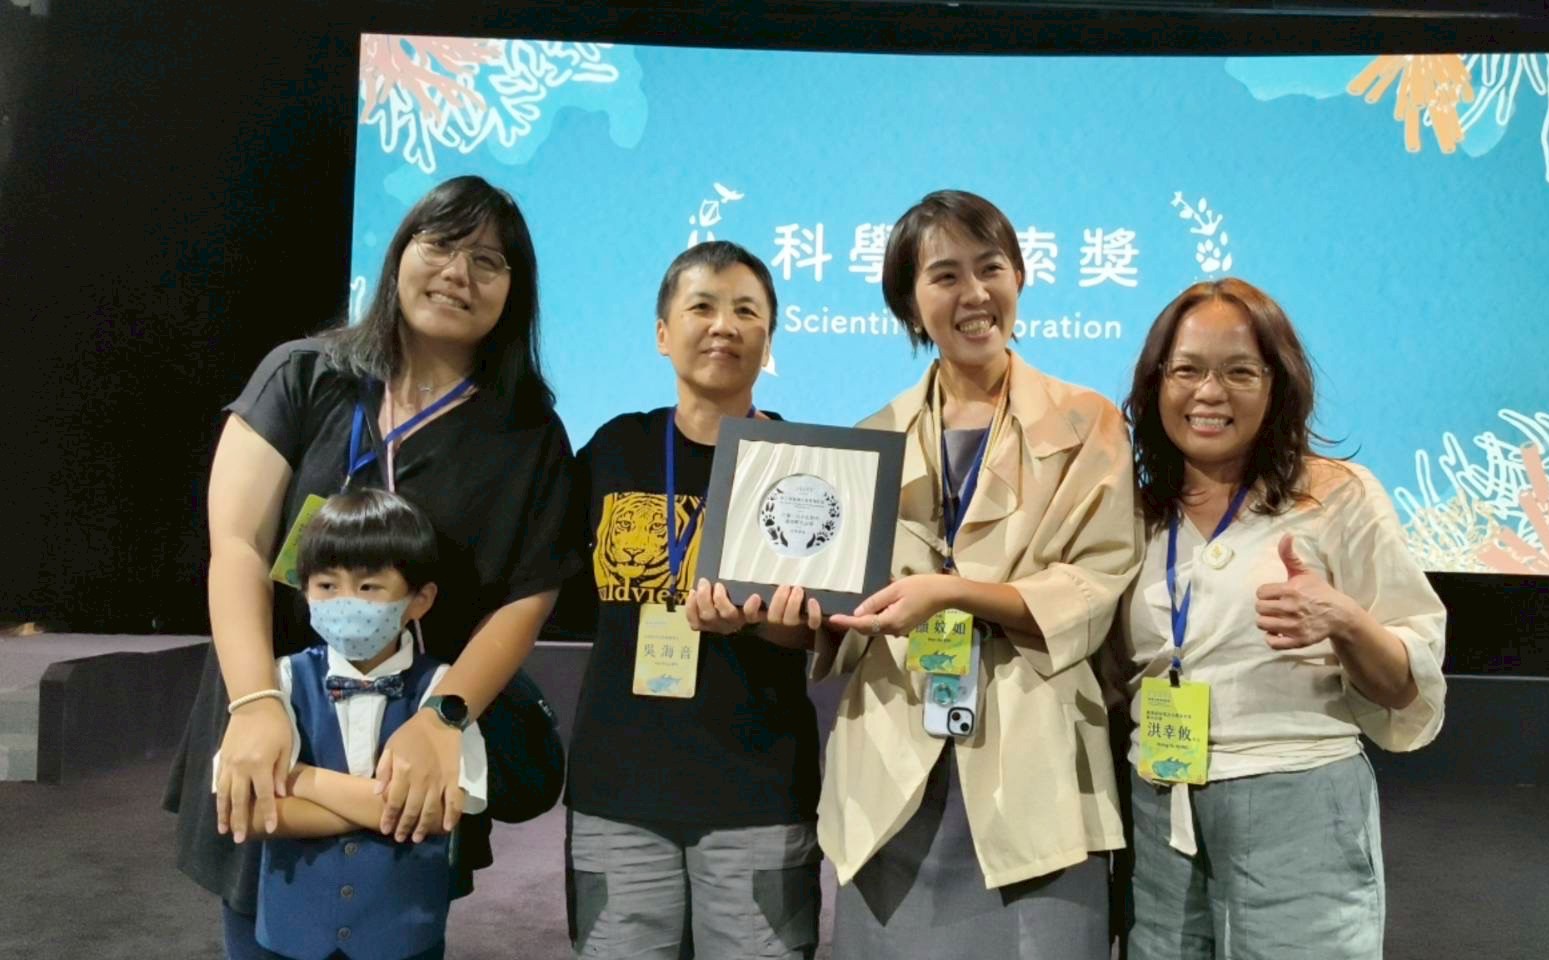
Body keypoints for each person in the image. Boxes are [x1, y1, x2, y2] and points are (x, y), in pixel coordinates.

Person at [163, 175, 579, 956]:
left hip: (411, 736)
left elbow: (527, 597)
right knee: (262, 926)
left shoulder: (528, 434)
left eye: (487, 261)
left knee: (396, 929)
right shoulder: (304, 375)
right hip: (277, 713)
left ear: (514, 292)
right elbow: (239, 546)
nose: (458, 273)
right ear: (400, 255)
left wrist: (443, 717)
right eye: (441, 245)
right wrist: (255, 702)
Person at [810, 189, 1140, 959]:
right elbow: (846, 615)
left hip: (1037, 767)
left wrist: (953, 593)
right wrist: (800, 605)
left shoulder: (1085, 421)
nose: (974, 294)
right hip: (893, 768)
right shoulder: (871, 437)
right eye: (945, 275)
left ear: (1020, 276)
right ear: (909, 301)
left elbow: (1099, 583)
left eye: (990, 268)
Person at [1115, 277, 1447, 959]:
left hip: (1297, 803)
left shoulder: (1335, 496)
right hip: (1159, 805)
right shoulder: (1134, 513)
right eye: (1187, 370)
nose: (1210, 393)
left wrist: (1345, 620)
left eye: (1240, 372)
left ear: (1278, 386)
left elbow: (1405, 688)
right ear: (1156, 385)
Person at [563, 240, 823, 960]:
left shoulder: (802, 466)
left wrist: (765, 626)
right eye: (701, 306)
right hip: (619, 786)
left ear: (769, 339)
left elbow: (824, 629)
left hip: (756, 788)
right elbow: (555, 585)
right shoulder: (616, 448)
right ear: (662, 332)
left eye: (747, 311)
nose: (723, 326)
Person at [215, 488, 485, 960]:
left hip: (403, 936)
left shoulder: (444, 692)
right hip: (293, 936)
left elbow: (442, 812)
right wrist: (385, 808)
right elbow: (250, 812)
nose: (345, 602)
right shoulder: (278, 680)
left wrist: (299, 780)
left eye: (368, 588)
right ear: (304, 592)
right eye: (326, 585)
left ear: (420, 600)